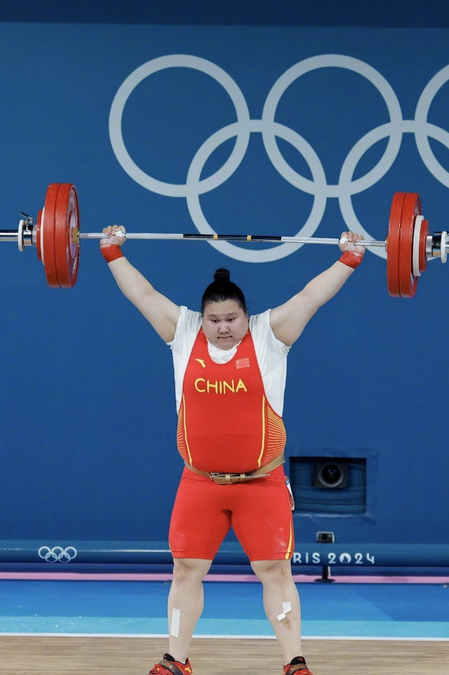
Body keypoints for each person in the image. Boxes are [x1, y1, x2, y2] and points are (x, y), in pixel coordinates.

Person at [99, 224, 366, 675]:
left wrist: (349, 259)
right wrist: (111, 252)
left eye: (231, 319)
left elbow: (310, 297)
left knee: (276, 573)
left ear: (246, 316)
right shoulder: (184, 333)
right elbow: (142, 295)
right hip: (199, 483)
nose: (223, 328)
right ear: (202, 319)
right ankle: (176, 660)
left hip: (260, 485)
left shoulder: (269, 335)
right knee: (185, 570)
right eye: (215, 320)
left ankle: (294, 662)